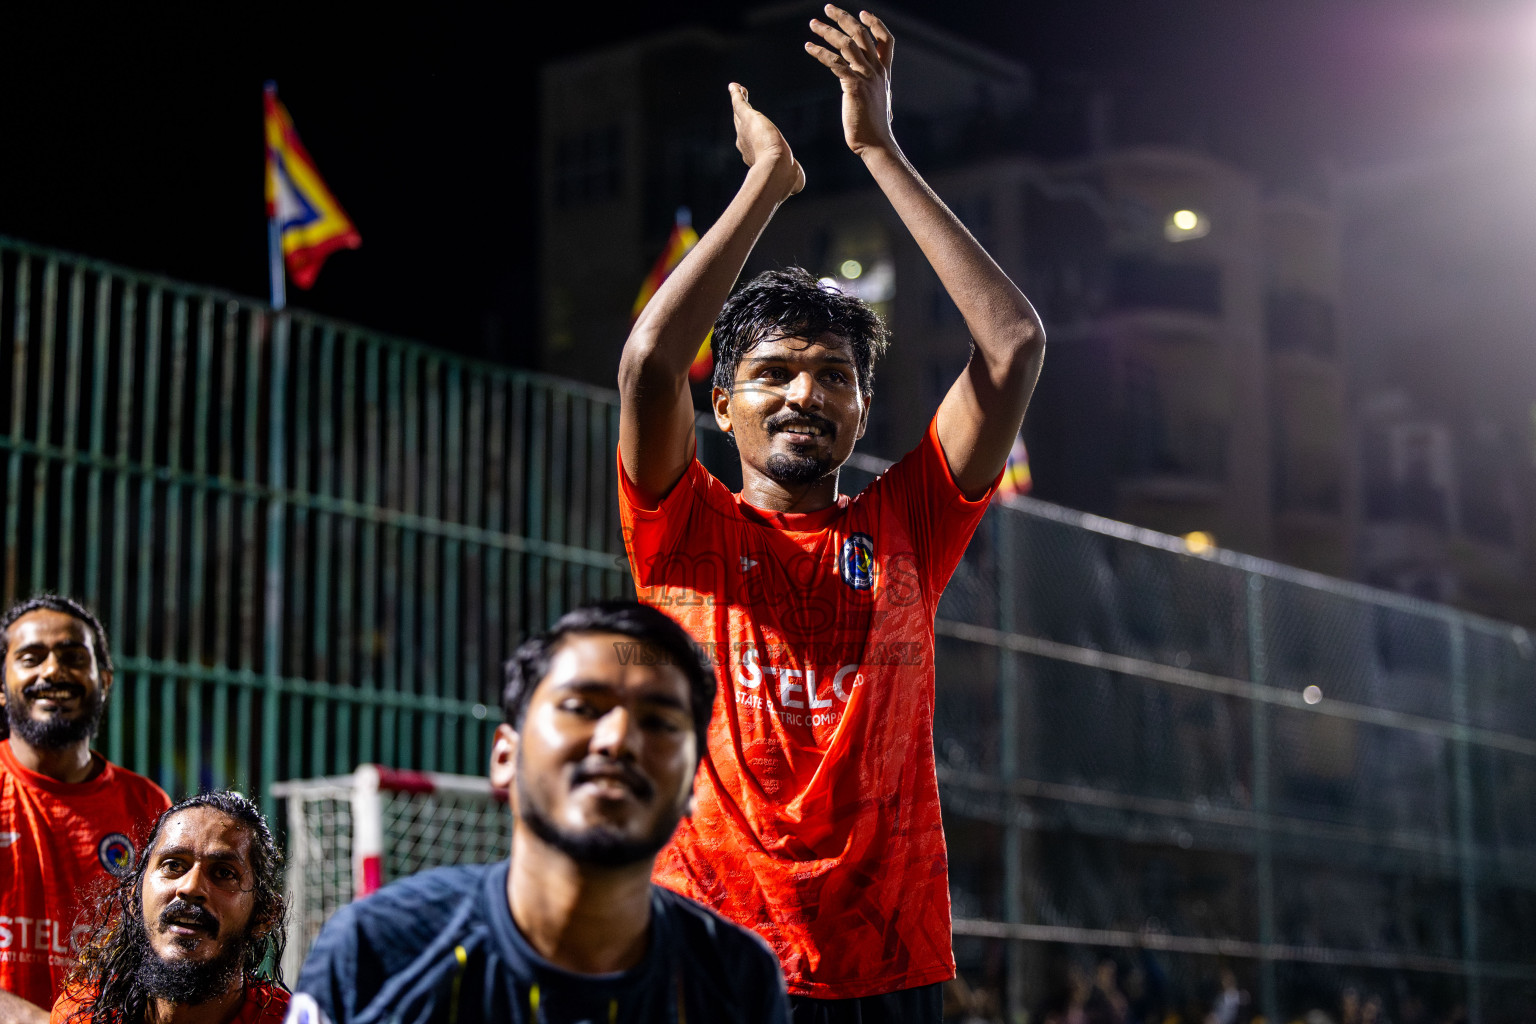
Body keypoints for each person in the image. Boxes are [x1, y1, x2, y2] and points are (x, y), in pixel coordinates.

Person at [615, 5, 1045, 1019]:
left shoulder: (908, 523)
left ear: (861, 406)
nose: (804, 392)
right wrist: (767, 184)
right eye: (771, 373)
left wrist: (877, 146)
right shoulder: (684, 527)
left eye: (833, 375)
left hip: (891, 964)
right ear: (721, 403)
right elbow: (645, 363)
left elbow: (1014, 346)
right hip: (711, 951)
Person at [288, 601, 790, 1023]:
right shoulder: (376, 953)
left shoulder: (739, 981)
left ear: (692, 787)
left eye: (659, 721)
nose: (617, 740)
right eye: (582, 707)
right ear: (504, 756)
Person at [0, 596, 172, 1024]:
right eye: (31, 657)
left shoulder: (149, 806)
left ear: (105, 680)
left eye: (74, 657)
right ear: (1, 687)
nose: (53, 671)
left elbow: (164, 956)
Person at [51, 791, 289, 1023]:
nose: (191, 887)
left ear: (263, 915)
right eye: (173, 865)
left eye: (224, 873)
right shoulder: (82, 1014)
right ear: (135, 897)